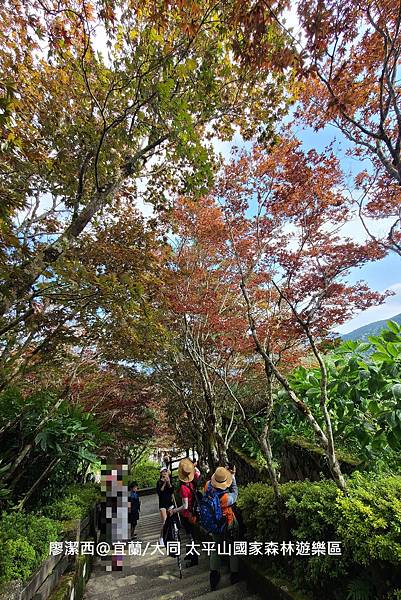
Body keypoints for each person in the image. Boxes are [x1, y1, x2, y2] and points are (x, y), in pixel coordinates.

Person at [204, 464, 239, 591]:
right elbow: (235, 492)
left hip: (214, 523)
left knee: (216, 547)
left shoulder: (208, 486)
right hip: (228, 522)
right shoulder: (226, 498)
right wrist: (232, 477)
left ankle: (214, 575)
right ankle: (234, 575)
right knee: (233, 548)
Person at [169, 458, 201, 566]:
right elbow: (198, 472)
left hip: (188, 515)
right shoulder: (193, 482)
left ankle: (194, 559)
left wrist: (174, 511)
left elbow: (185, 506)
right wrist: (193, 466)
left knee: (190, 537)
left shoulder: (183, 487)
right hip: (194, 513)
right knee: (191, 536)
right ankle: (190, 554)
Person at [156, 466, 174, 546]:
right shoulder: (159, 482)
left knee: (171, 521)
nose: (164, 473)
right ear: (161, 473)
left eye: (165, 471)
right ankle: (161, 538)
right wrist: (164, 483)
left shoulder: (169, 480)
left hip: (169, 502)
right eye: (163, 471)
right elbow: (160, 492)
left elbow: (171, 491)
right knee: (164, 522)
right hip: (162, 504)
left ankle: (170, 536)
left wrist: (168, 482)